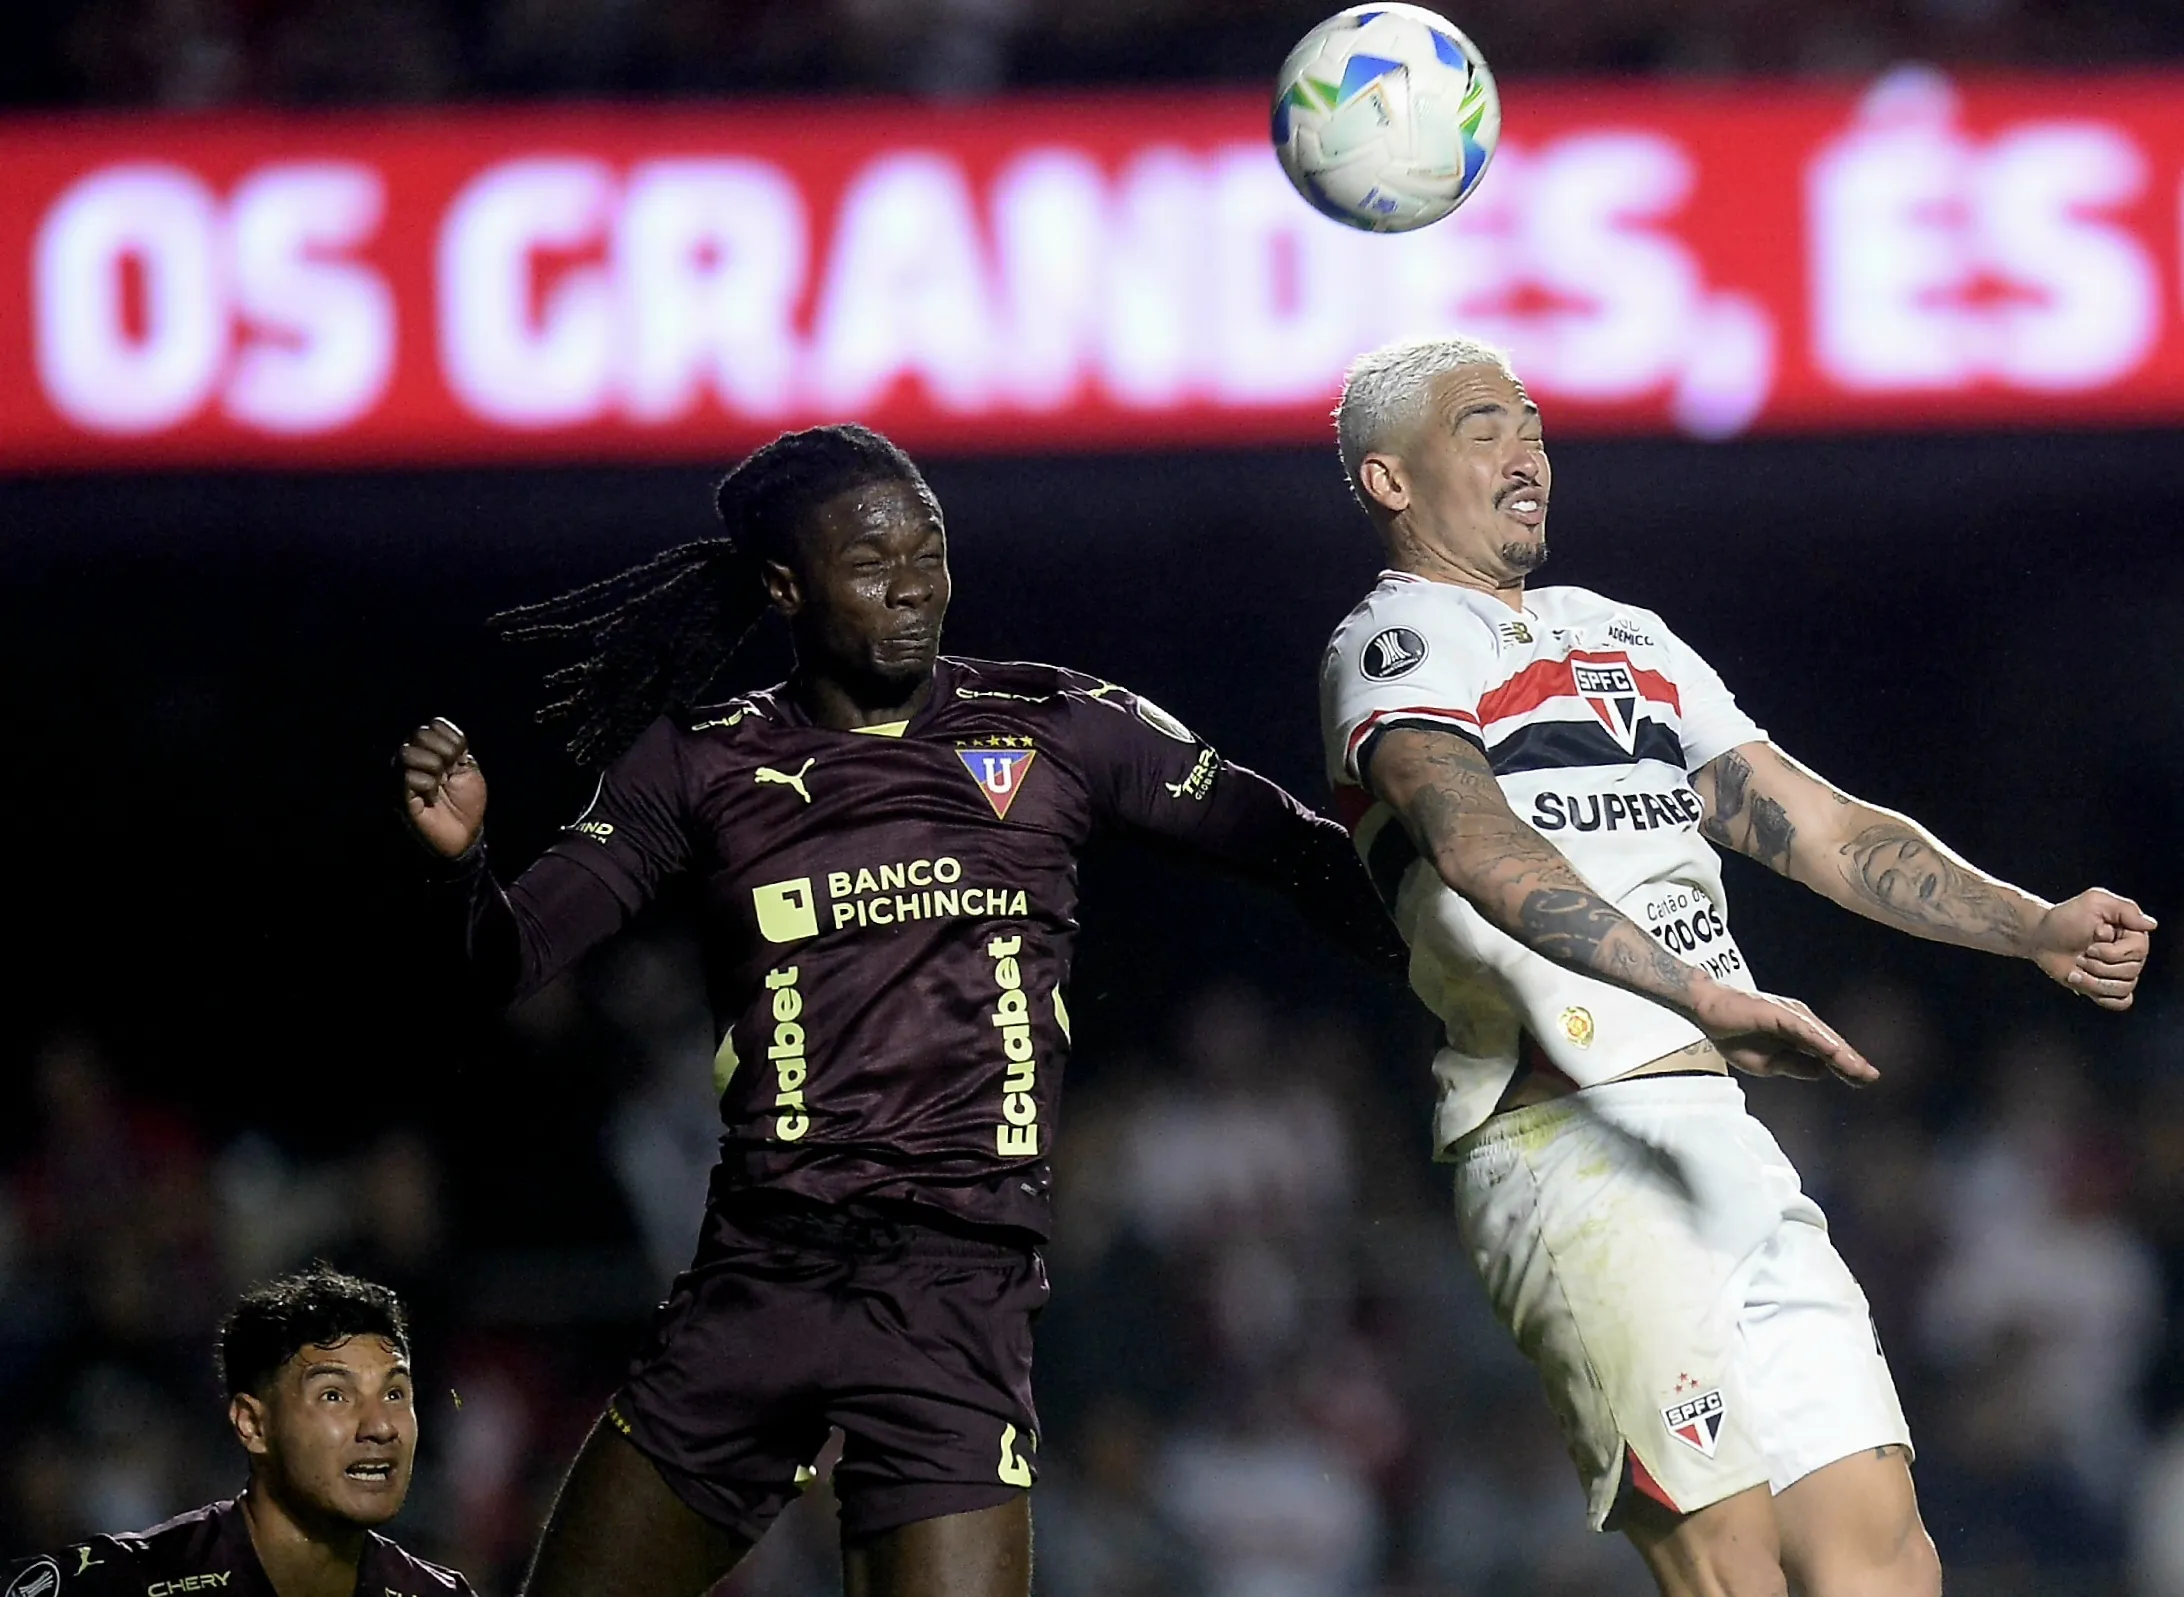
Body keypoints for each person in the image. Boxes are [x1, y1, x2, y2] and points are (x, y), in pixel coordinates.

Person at [394, 423, 1407, 1597]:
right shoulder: (703, 766)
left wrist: (1465, 943)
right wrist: (455, 867)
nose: (914, 584)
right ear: (787, 585)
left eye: (928, 549)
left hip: (954, 1295)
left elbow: (1293, 849)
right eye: (872, 559)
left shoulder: (1057, 727)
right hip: (760, 1285)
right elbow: (508, 963)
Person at [1317, 335, 2155, 1597]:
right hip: (1572, 1145)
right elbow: (1478, 847)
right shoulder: (1393, 646)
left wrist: (2031, 925)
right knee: (1733, 1566)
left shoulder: (1628, 638)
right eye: (1483, 427)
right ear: (1389, 480)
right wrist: (1701, 995)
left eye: (1534, 424)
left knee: (1883, 1551)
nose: (1527, 452)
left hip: (1724, 1139)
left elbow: (1816, 825)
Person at [1, 1267, 470, 1597]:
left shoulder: (435, 1592)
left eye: (394, 1394)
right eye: (334, 1395)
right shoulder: (125, 1582)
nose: (380, 1427)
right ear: (252, 1424)